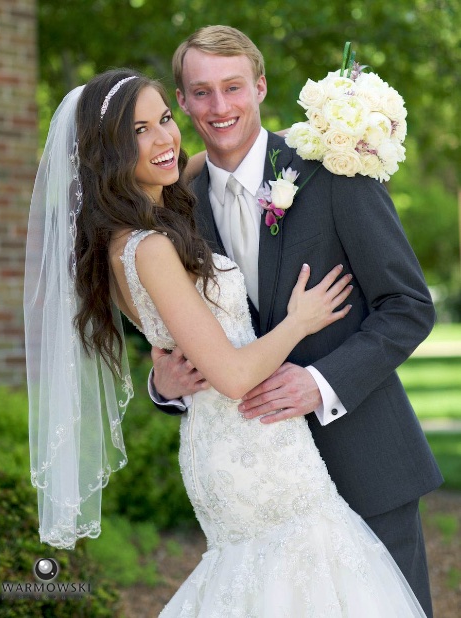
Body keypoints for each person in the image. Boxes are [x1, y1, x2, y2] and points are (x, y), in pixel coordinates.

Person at [23, 66, 432, 616]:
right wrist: (300, 320)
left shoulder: (174, 198)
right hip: (253, 457)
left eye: (163, 120)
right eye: (138, 131)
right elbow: (232, 371)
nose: (165, 138)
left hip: (354, 454)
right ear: (107, 151)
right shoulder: (148, 245)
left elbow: (408, 305)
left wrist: (333, 126)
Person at [148, 25, 443, 617]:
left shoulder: (331, 168)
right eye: (200, 92)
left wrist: (321, 383)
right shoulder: (177, 202)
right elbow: (180, 335)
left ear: (260, 87)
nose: (219, 106)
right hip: (263, 492)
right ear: (182, 102)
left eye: (233, 87)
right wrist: (165, 388)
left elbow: (408, 304)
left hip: (364, 461)